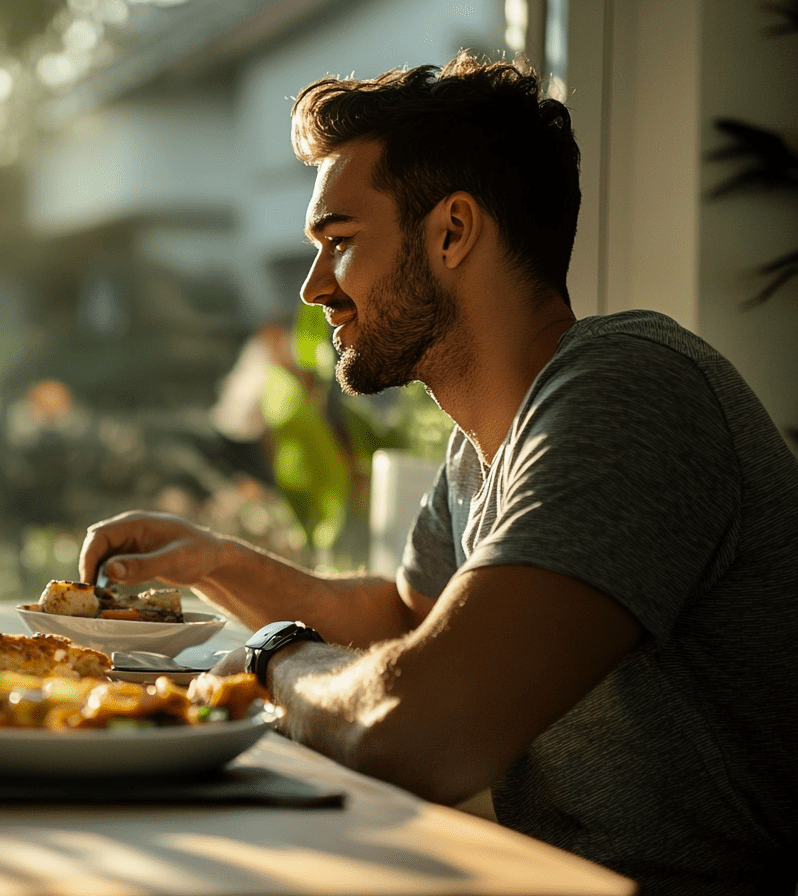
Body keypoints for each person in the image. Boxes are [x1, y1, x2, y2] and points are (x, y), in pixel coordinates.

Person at [78, 51, 798, 895]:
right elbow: (404, 618)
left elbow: (420, 728)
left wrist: (271, 657)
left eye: (339, 243)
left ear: (452, 231)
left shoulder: (631, 389)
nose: (315, 287)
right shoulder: (484, 442)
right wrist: (215, 564)